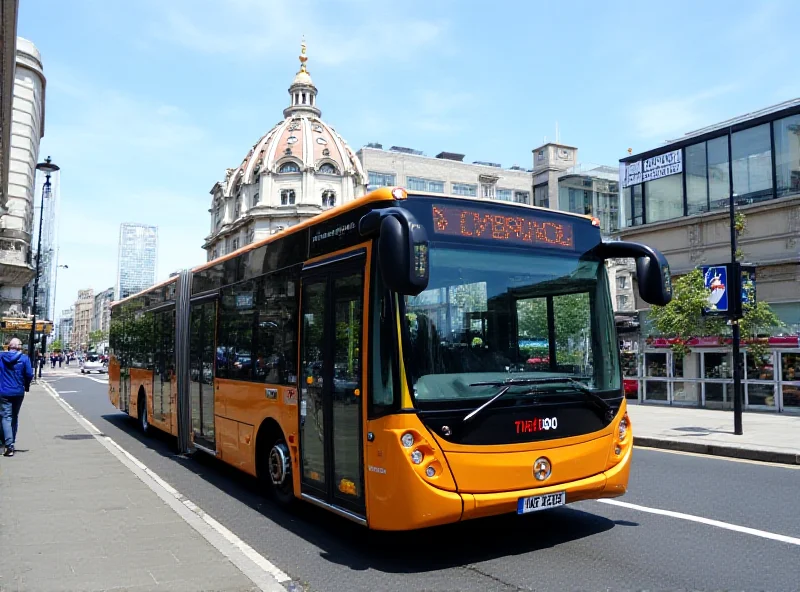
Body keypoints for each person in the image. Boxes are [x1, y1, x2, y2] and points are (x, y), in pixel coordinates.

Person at [0, 338, 33, 457]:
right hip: (18, 392)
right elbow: (29, 374)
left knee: (6, 417)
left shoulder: (1, 357)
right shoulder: (24, 358)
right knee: (14, 416)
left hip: (3, 392)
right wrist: (26, 385)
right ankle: (11, 443)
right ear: (19, 347)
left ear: (9, 346)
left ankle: (7, 445)